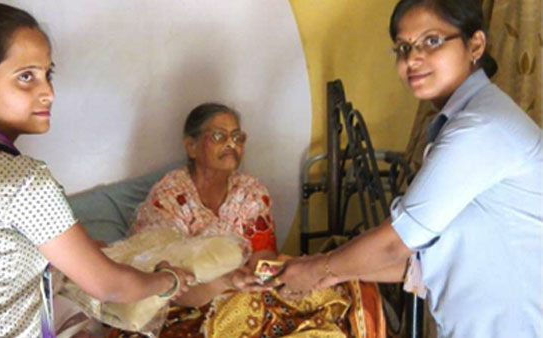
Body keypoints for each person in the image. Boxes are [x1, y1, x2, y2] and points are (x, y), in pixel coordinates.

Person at [277, 0, 543, 337]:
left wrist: (319, 267)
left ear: (475, 44)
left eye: (432, 40)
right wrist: (333, 273)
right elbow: (427, 259)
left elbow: (396, 243)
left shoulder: (480, 128)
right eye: (403, 47)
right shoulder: (463, 122)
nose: (412, 59)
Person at [0, 4, 193, 337]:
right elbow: (110, 286)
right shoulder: (23, 182)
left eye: (48, 74)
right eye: (25, 77)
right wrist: (168, 280)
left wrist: (75, 252)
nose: (49, 93)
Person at [111, 103, 385, 337]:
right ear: (191, 146)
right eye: (219, 136)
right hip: (184, 306)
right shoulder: (169, 195)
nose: (232, 144)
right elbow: (165, 284)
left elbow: (264, 258)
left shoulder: (251, 191)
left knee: (336, 289)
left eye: (237, 137)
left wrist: (262, 276)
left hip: (243, 291)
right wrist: (227, 282)